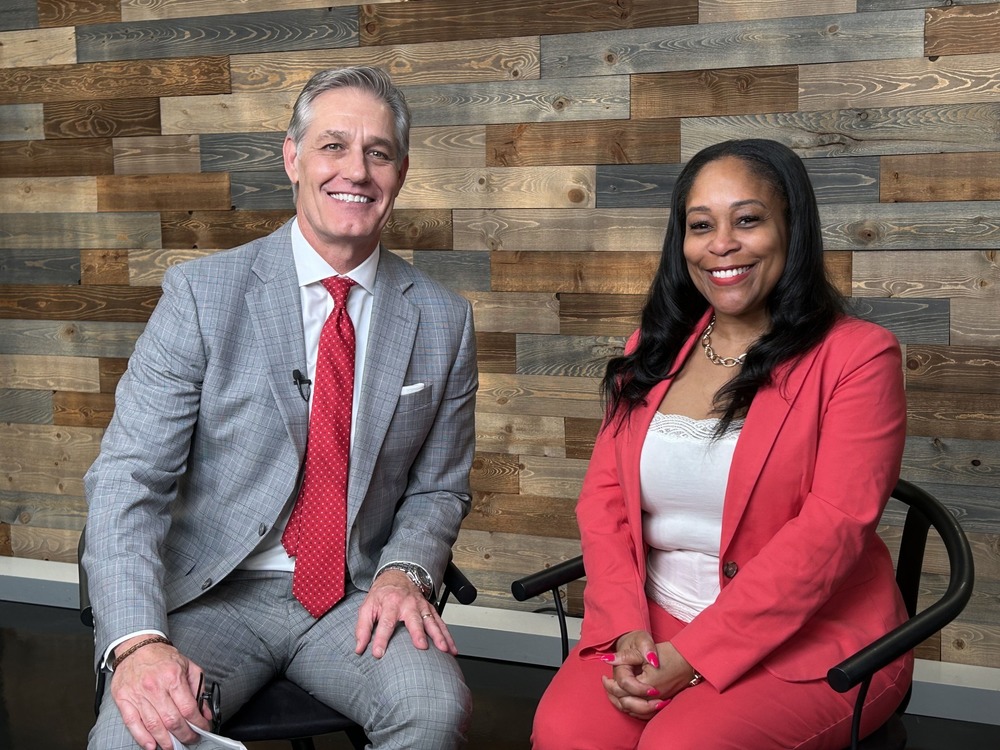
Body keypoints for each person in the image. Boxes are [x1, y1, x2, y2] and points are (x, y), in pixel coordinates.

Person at [83, 66, 477, 750]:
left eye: (377, 153)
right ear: (293, 157)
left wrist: (403, 570)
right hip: (213, 595)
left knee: (433, 708)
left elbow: (439, 488)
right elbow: (128, 479)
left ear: (401, 172)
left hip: (356, 597)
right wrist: (139, 642)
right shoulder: (202, 296)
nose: (356, 170)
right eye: (333, 146)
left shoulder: (444, 320)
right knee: (132, 739)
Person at [531, 139, 912, 749]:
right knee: (565, 734)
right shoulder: (649, 350)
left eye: (748, 220)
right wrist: (626, 626)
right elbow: (603, 503)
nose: (722, 244)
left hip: (813, 638)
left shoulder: (858, 356)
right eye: (701, 225)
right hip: (650, 622)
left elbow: (831, 532)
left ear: (792, 228)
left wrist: (694, 653)